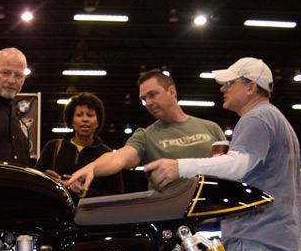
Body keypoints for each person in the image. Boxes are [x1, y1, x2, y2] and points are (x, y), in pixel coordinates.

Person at [141, 57, 301, 251]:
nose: (223, 88)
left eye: (230, 83)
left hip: (258, 242)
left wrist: (180, 167)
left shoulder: (256, 117)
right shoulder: (276, 119)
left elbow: (238, 166)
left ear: (251, 87)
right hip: (280, 244)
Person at [64, 69, 225, 192]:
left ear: (171, 92)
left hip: (213, 214)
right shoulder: (146, 136)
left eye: (152, 95)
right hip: (169, 218)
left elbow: (229, 167)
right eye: (144, 99)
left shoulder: (210, 128)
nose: (148, 102)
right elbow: (118, 157)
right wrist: (92, 168)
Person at [34, 92, 123, 199]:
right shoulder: (53, 147)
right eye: (79, 115)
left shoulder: (108, 156)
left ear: (98, 122)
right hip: (57, 208)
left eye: (90, 115)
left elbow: (116, 198)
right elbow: (32, 181)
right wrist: (45, 179)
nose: (85, 119)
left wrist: (84, 192)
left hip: (90, 210)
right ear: (71, 121)